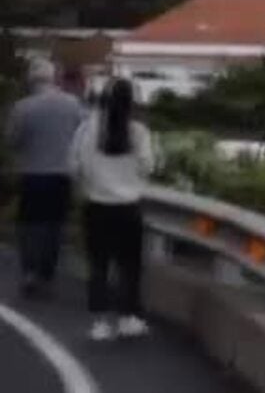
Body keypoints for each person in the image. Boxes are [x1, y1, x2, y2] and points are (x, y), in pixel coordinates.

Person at [68, 77, 157, 341]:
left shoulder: (87, 130)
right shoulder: (138, 132)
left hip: (97, 206)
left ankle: (99, 323)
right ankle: (128, 318)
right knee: (130, 265)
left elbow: (73, 166)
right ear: (132, 103)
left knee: (98, 265)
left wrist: (90, 182)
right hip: (129, 208)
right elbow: (148, 166)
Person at [5, 58, 88, 298]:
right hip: (62, 175)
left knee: (29, 225)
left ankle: (30, 271)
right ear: (54, 79)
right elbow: (83, 135)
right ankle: (47, 273)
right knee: (54, 225)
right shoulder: (73, 105)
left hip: (32, 174)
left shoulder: (22, 108)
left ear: (31, 81)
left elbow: (12, 140)